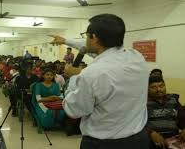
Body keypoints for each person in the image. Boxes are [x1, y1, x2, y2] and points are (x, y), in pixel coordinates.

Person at [50, 14, 149, 149]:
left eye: (86, 35)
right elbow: (102, 54)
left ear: (94, 37)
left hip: (103, 144)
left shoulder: (90, 75)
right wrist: (66, 41)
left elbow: (74, 110)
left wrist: (73, 77)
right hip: (139, 140)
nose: (85, 40)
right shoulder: (136, 57)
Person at [147, 76, 185, 149]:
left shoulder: (173, 100)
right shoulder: (143, 102)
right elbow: (138, 123)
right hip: (153, 139)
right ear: (147, 89)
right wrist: (151, 133)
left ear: (165, 86)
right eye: (153, 87)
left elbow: (182, 117)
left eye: (161, 86)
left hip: (174, 139)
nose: (158, 89)